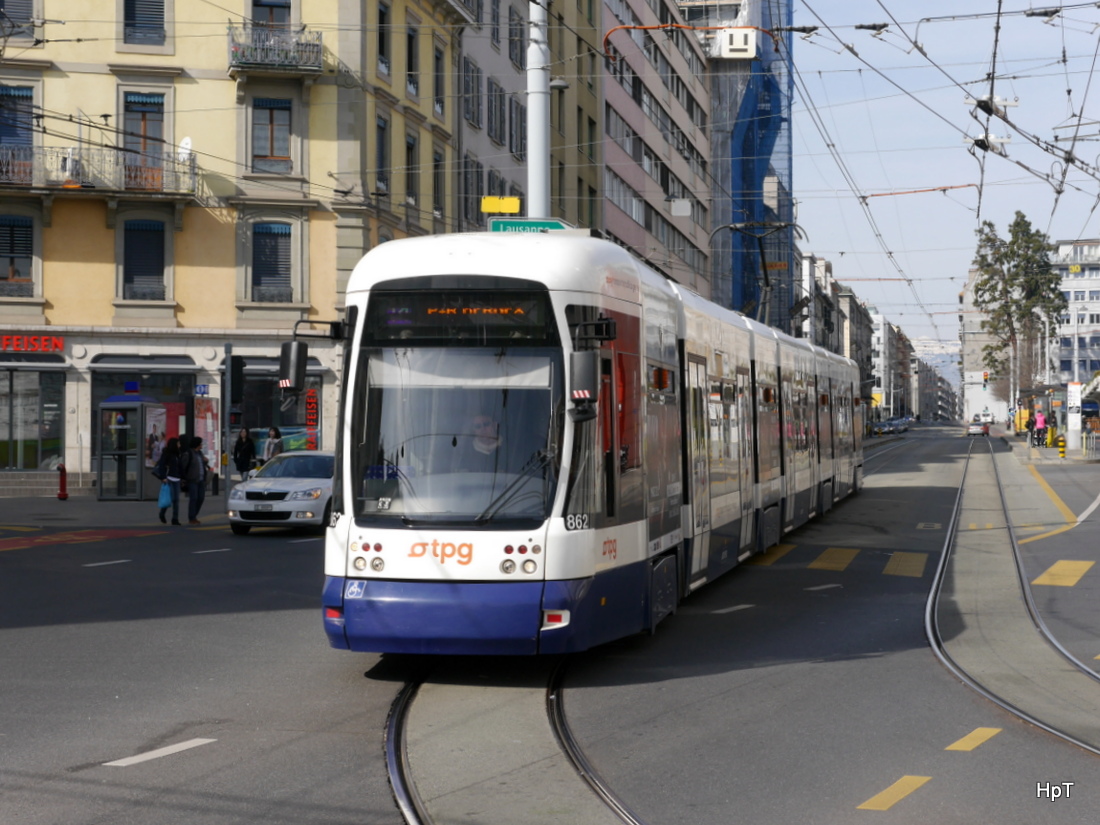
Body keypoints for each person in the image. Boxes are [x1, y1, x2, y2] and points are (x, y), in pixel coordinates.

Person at [180, 436, 210, 524]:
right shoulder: (189, 453)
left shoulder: (200, 453)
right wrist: (184, 478)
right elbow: (183, 466)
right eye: (200, 443)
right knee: (194, 498)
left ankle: (194, 515)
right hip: (192, 480)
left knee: (201, 498)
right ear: (197, 444)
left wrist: (205, 461)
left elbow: (201, 464)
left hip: (201, 479)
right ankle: (192, 517)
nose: (201, 445)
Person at [154, 437, 183, 525]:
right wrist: (163, 477)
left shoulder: (178, 454)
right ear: (174, 445)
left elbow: (180, 467)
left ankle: (175, 519)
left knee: (176, 500)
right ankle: (162, 513)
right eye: (178, 444)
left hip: (177, 479)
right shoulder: (166, 454)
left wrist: (182, 477)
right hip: (169, 478)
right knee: (170, 498)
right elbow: (162, 465)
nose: (179, 445)